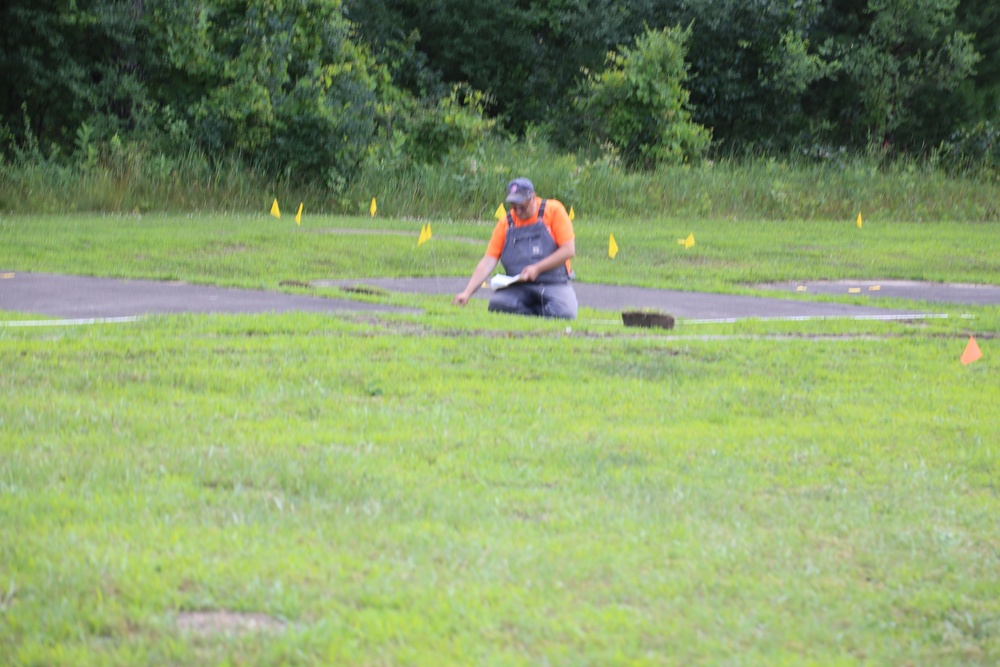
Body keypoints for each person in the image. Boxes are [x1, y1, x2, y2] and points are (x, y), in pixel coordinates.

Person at [452, 178, 578, 319]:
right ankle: (536, 311)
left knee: (565, 313)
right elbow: (488, 261)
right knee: (497, 304)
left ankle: (542, 307)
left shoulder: (554, 210)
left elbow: (568, 250)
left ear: (533, 197)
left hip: (553, 283)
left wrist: (537, 268)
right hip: (519, 286)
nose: (517, 211)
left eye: (522, 206)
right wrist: (467, 292)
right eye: (513, 206)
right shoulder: (506, 222)